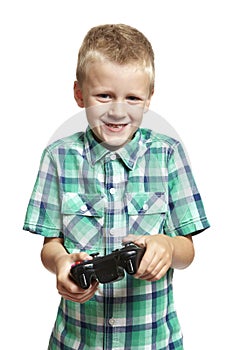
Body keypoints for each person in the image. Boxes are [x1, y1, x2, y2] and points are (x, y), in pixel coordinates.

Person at [23, 24, 210, 350]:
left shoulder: (168, 155)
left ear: (149, 99)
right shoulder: (58, 156)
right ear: (80, 94)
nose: (118, 110)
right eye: (104, 95)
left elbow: (187, 252)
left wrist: (166, 246)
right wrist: (61, 263)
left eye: (133, 98)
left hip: (153, 341)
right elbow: (49, 245)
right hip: (77, 340)